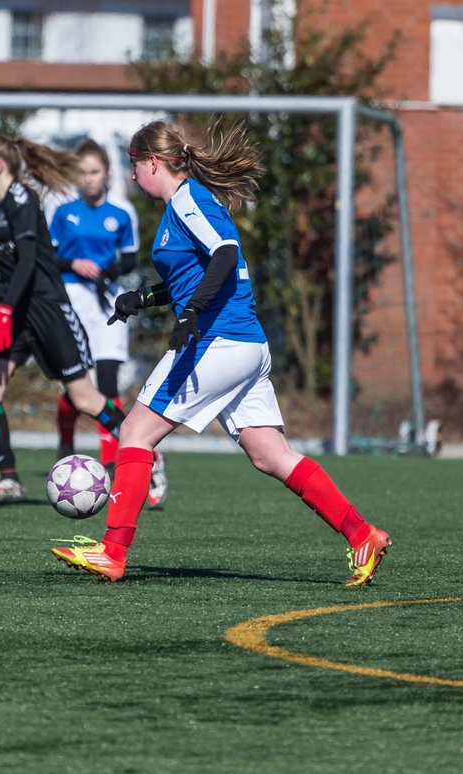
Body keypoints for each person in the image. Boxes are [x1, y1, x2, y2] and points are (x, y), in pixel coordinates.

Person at [52, 120, 390, 586]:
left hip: (219, 341)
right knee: (270, 455)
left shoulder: (189, 199)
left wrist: (191, 313)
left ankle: (112, 551)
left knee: (134, 431)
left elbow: (226, 254)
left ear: (153, 162)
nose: (131, 176)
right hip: (242, 344)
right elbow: (193, 274)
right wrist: (145, 299)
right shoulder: (180, 208)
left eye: (135, 165)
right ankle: (362, 534)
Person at [0, 135, 127, 505]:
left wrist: (4, 311)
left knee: (84, 398)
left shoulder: (22, 201)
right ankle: (9, 480)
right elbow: (6, 255)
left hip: (46, 307)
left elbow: (26, 260)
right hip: (13, 307)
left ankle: (144, 450)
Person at [47, 139, 169, 508]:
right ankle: (65, 443)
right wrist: (74, 265)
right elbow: (49, 257)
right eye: (82, 172)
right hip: (71, 299)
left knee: (108, 379)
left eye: (95, 172)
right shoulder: (63, 212)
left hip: (108, 301)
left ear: (107, 174)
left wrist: (107, 272)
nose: (88, 179)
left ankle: (114, 459)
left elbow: (130, 259)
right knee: (75, 383)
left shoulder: (122, 213)